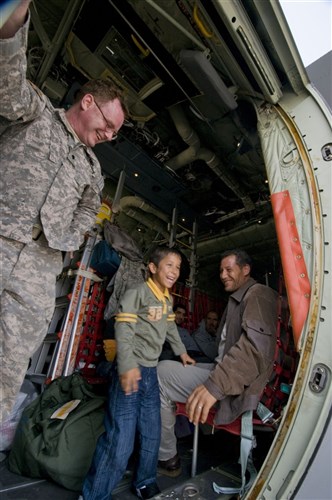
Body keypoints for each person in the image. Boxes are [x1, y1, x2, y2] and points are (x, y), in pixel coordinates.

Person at [0, 0, 128, 423]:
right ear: (88, 101)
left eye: (114, 133)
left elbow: (90, 211)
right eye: (108, 124)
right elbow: (8, 82)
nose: (109, 136)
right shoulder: (35, 112)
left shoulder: (93, 169)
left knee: (8, 367)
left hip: (38, 270)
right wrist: (13, 22)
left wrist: (67, 242)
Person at [82, 246, 196, 500]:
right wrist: (126, 366)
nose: (174, 271)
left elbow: (169, 327)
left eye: (177, 267)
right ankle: (94, 495)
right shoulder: (138, 293)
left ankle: (144, 481)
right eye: (169, 265)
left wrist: (182, 353)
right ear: (153, 268)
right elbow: (123, 328)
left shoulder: (167, 299)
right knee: (119, 438)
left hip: (151, 373)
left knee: (151, 432)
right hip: (130, 369)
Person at [157, 249, 278, 477]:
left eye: (229, 269)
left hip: (239, 384)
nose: (223, 275)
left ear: (245, 270)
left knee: (160, 375)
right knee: (171, 366)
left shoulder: (258, 294)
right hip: (223, 370)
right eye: (221, 270)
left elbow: (254, 350)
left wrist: (215, 386)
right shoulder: (237, 299)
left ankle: (167, 457)